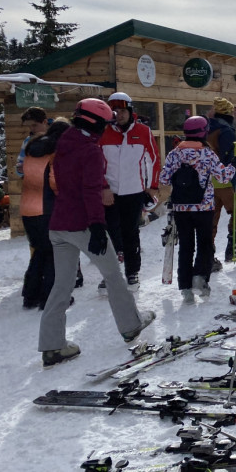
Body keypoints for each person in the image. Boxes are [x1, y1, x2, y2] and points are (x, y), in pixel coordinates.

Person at [40, 98, 155, 367]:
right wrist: (98, 226)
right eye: (105, 123)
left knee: (62, 285)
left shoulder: (64, 142)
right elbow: (91, 191)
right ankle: (131, 326)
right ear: (95, 123)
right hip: (83, 225)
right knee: (113, 275)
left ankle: (51, 346)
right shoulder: (90, 151)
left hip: (58, 226)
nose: (107, 128)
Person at [159, 116, 235, 304]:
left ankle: (185, 287)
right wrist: (234, 165)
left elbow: (163, 179)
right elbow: (223, 177)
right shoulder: (207, 154)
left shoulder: (174, 153)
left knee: (185, 246)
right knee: (204, 243)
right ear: (203, 132)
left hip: (181, 208)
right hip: (204, 206)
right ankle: (200, 278)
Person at [99, 92, 161, 292]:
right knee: (109, 234)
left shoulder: (143, 131)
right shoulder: (103, 132)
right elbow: (96, 163)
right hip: (109, 193)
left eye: (123, 110)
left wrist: (152, 186)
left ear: (130, 111)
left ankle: (132, 272)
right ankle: (110, 274)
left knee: (131, 233)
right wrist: (103, 187)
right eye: (115, 111)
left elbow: (154, 159)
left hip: (134, 191)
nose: (119, 114)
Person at [20, 119, 71, 309]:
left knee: (39, 251)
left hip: (27, 208)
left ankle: (30, 295)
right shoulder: (54, 153)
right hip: (47, 209)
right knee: (53, 253)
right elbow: (56, 184)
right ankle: (50, 298)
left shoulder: (33, 148)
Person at [206, 97, 236, 263]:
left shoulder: (205, 129)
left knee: (211, 218)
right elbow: (229, 156)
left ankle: (207, 255)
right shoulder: (226, 130)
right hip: (226, 180)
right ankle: (233, 249)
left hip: (208, 181)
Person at [15, 106, 50, 177]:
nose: (31, 129)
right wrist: (20, 170)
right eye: (29, 126)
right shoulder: (27, 141)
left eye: (34, 125)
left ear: (45, 122)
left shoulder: (57, 138)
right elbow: (20, 162)